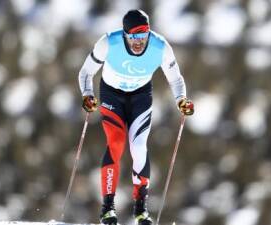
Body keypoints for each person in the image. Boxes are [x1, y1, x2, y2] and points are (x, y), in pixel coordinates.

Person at [77, 9, 194, 225]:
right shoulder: (108, 43)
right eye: (134, 37)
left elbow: (175, 79)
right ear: (124, 34)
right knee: (116, 143)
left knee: (139, 146)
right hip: (112, 94)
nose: (139, 42)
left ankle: (141, 210)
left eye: (143, 36)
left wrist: (181, 100)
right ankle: (107, 209)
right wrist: (88, 96)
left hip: (140, 96)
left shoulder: (160, 47)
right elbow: (86, 72)